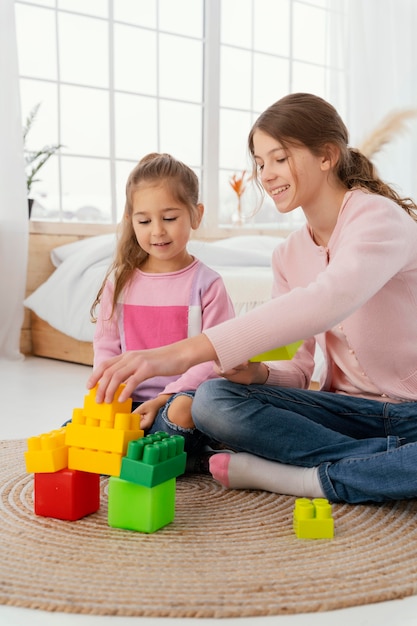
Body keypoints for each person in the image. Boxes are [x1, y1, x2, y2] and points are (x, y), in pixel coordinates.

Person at [87, 93, 417, 504]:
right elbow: (297, 369)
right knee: (212, 399)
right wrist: (257, 374)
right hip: (338, 414)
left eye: (279, 158)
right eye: (260, 163)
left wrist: (179, 354)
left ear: (327, 156)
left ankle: (305, 479)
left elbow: (328, 298)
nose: (267, 174)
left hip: (410, 413)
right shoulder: (288, 256)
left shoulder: (378, 217)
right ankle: (382, 468)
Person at [90, 152, 235, 464]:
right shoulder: (120, 282)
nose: (157, 231)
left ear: (196, 215)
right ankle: (157, 453)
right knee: (76, 433)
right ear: (131, 221)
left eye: (169, 218)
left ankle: (163, 449)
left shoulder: (208, 285)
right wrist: (110, 388)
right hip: (128, 403)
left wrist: (164, 398)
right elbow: (105, 345)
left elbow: (215, 357)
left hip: (179, 399)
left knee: (182, 413)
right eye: (144, 221)